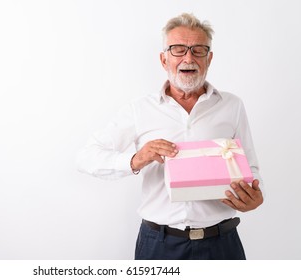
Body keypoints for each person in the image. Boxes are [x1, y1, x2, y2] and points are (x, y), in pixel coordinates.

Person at [76, 13, 263, 260]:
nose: (188, 57)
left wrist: (254, 196)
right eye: (178, 50)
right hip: (159, 245)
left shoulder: (232, 106)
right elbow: (86, 157)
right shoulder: (139, 109)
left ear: (209, 58)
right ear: (164, 60)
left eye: (198, 50)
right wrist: (136, 159)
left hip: (222, 244)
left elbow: (250, 167)